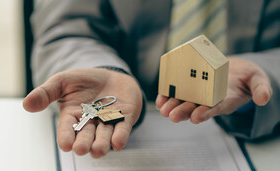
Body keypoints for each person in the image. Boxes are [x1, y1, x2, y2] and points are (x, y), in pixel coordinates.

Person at [23, 0, 280, 158]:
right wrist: (101, 68)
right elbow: (67, 27)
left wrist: (264, 70)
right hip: (132, 141)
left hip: (256, 138)